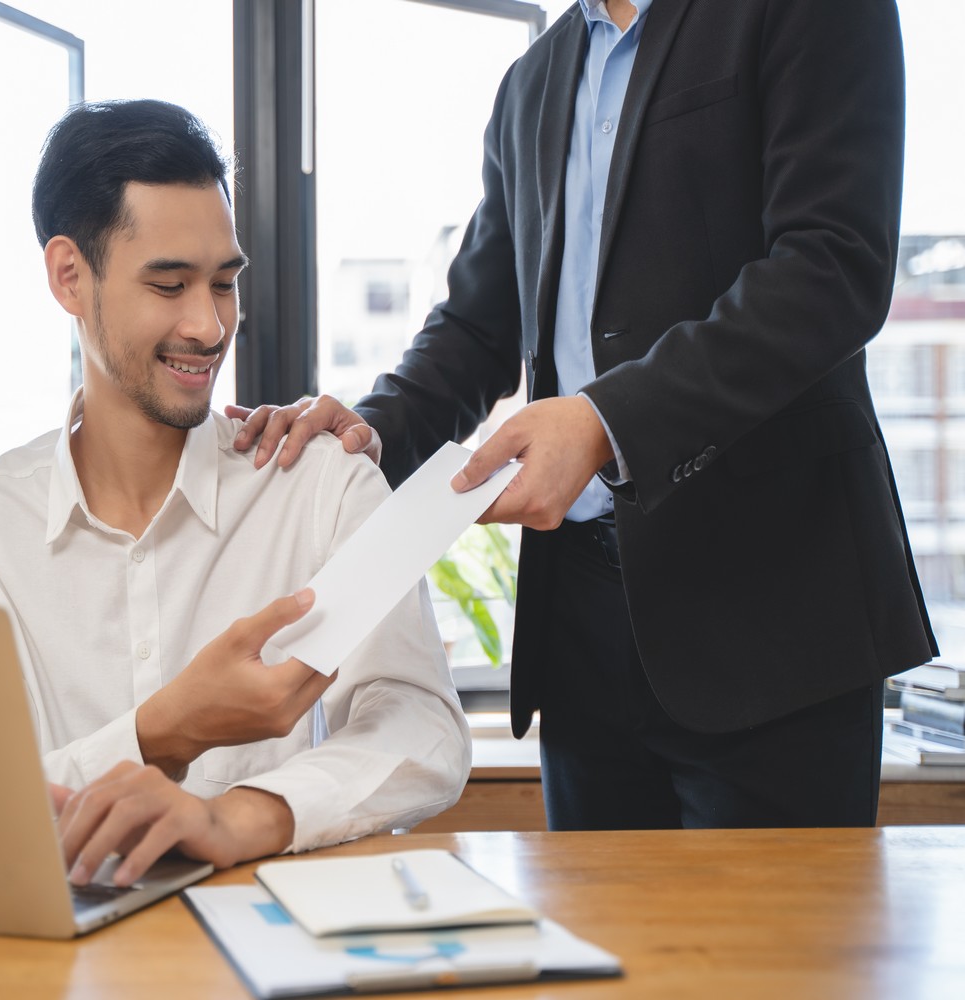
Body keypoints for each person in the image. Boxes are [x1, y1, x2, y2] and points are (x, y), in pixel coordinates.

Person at [232, 0, 937, 830]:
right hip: (579, 632)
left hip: (769, 616)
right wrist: (367, 429)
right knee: (593, 948)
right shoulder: (531, 80)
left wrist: (605, 419)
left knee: (780, 955)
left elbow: (830, 267)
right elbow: (477, 326)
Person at [0, 99, 469, 886]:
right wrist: (164, 730)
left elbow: (420, 728)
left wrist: (234, 817)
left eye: (223, 283)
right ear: (70, 276)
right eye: (168, 285)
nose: (209, 326)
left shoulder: (319, 485)